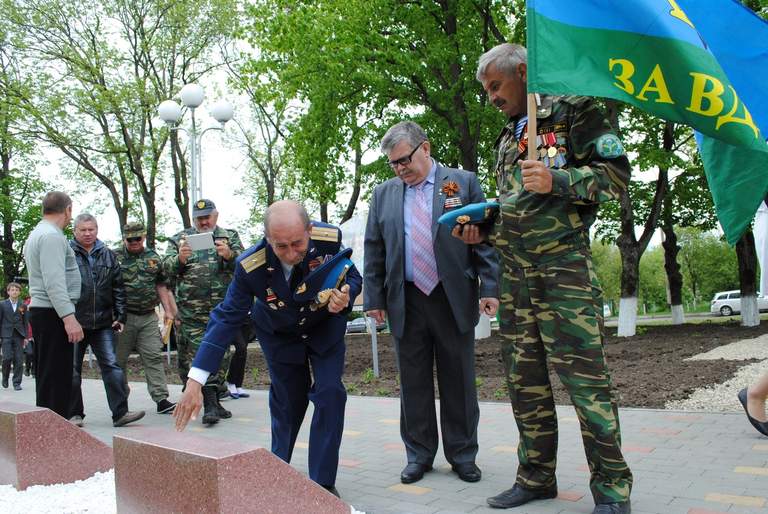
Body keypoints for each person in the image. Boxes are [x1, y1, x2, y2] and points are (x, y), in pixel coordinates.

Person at [454, 43, 632, 513]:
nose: (490, 96)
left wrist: (560, 181)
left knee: (588, 387)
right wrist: (482, 232)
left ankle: (612, 491)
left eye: (496, 85)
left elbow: (615, 175)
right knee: (525, 384)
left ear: (524, 71)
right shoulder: (506, 137)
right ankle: (535, 478)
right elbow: (517, 211)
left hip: (563, 272)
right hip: (516, 279)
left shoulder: (573, 110)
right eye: (486, 89)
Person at [174, 200, 362, 497]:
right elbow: (225, 319)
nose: (290, 254)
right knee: (288, 402)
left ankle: (322, 483)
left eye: (297, 243)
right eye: (280, 246)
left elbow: (350, 272)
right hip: (279, 333)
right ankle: (280, 469)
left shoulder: (329, 239)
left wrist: (346, 296)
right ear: (267, 239)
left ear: (310, 230)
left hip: (324, 327)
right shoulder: (251, 266)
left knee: (330, 394)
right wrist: (195, 380)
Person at [363, 121, 500, 485]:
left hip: (451, 296)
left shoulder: (463, 182)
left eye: (404, 160)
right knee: (414, 383)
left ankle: (462, 454)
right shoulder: (384, 194)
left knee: (459, 380)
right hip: (406, 299)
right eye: (392, 163)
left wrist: (491, 288)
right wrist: (374, 299)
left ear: (425, 147)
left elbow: (483, 240)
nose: (399, 168)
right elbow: (374, 248)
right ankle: (419, 454)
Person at [163, 198, 244, 424]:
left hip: (223, 311)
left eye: (207, 217)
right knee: (201, 354)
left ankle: (215, 400)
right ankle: (209, 405)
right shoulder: (180, 239)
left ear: (215, 216)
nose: (204, 222)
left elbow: (247, 266)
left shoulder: (230, 236)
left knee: (224, 355)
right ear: (193, 219)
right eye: (199, 218)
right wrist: (179, 259)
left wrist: (229, 255)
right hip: (192, 313)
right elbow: (163, 271)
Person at [69, 213, 144, 428]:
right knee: (72, 370)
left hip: (103, 322)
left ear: (97, 230)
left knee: (112, 366)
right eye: (83, 229)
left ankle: (120, 413)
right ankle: (74, 414)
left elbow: (118, 287)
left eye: (91, 229)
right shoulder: (67, 253)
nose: (87, 233)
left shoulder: (108, 255)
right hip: (75, 322)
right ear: (75, 231)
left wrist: (120, 316)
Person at [23, 191, 83, 418]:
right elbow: (54, 282)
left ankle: (49, 431)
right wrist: (69, 318)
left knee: (50, 375)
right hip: (52, 313)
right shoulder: (51, 236)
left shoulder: (40, 232)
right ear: (68, 209)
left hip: (47, 312)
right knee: (57, 377)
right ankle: (53, 432)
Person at [113, 222, 177, 415]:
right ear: (124, 238)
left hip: (148, 315)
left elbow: (161, 285)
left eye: (137, 239)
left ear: (143, 238)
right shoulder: (114, 257)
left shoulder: (153, 258)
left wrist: (167, 310)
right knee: (118, 360)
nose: (134, 242)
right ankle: (120, 400)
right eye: (130, 239)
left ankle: (161, 398)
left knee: (153, 356)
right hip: (123, 317)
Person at [0, 282, 29, 390]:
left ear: (19, 292)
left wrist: (26, 337)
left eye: (16, 290)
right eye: (12, 290)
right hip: (6, 334)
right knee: (6, 358)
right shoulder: (2, 304)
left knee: (19, 359)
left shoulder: (23, 305)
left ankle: (17, 382)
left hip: (19, 335)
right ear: (8, 292)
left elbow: (25, 322)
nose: (14, 291)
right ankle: (5, 378)